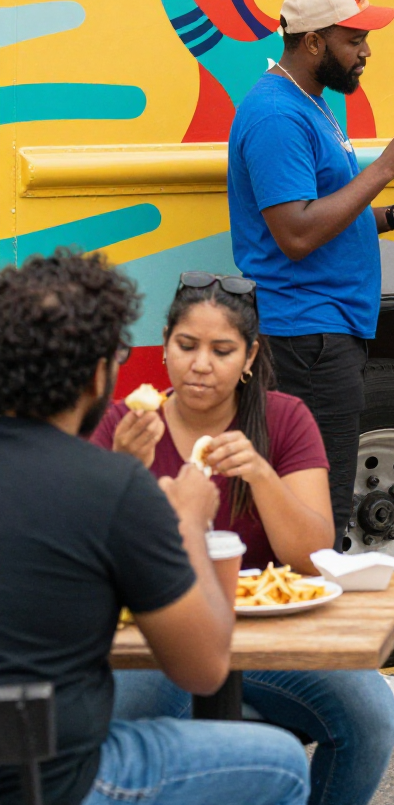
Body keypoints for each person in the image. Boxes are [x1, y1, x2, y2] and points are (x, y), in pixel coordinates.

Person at [0, 250, 309, 805]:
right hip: (50, 780)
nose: (200, 364)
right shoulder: (112, 483)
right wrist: (189, 523)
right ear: (100, 375)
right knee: (283, 763)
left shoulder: (282, 418)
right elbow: (203, 670)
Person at [227, 0, 394, 715]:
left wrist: (391, 217)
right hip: (307, 335)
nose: (366, 51)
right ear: (314, 40)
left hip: (323, 328)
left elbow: (321, 214)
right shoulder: (277, 116)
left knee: (313, 507)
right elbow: (292, 234)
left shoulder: (307, 104)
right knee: (320, 513)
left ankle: (323, 670)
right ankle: (347, 680)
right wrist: (385, 169)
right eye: (355, 39)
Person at [95, 274, 394, 805]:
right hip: (161, 631)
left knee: (371, 716)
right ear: (164, 345)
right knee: (108, 734)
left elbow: (311, 554)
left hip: (268, 631)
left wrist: (260, 475)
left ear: (251, 357)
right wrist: (125, 470)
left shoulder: (284, 418)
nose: (201, 364)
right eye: (186, 346)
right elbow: (91, 556)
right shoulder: (126, 423)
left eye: (222, 350)